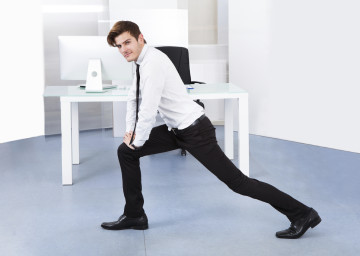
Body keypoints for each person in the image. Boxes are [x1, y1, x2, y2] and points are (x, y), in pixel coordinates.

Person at [101, 21, 321, 239]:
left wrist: (137, 140)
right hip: (177, 130)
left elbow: (147, 108)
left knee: (238, 183)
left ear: (141, 38)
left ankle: (303, 213)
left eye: (127, 42)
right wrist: (131, 132)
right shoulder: (142, 62)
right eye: (119, 46)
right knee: (126, 151)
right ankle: (134, 215)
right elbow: (133, 98)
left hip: (195, 132)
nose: (123, 50)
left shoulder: (153, 64)